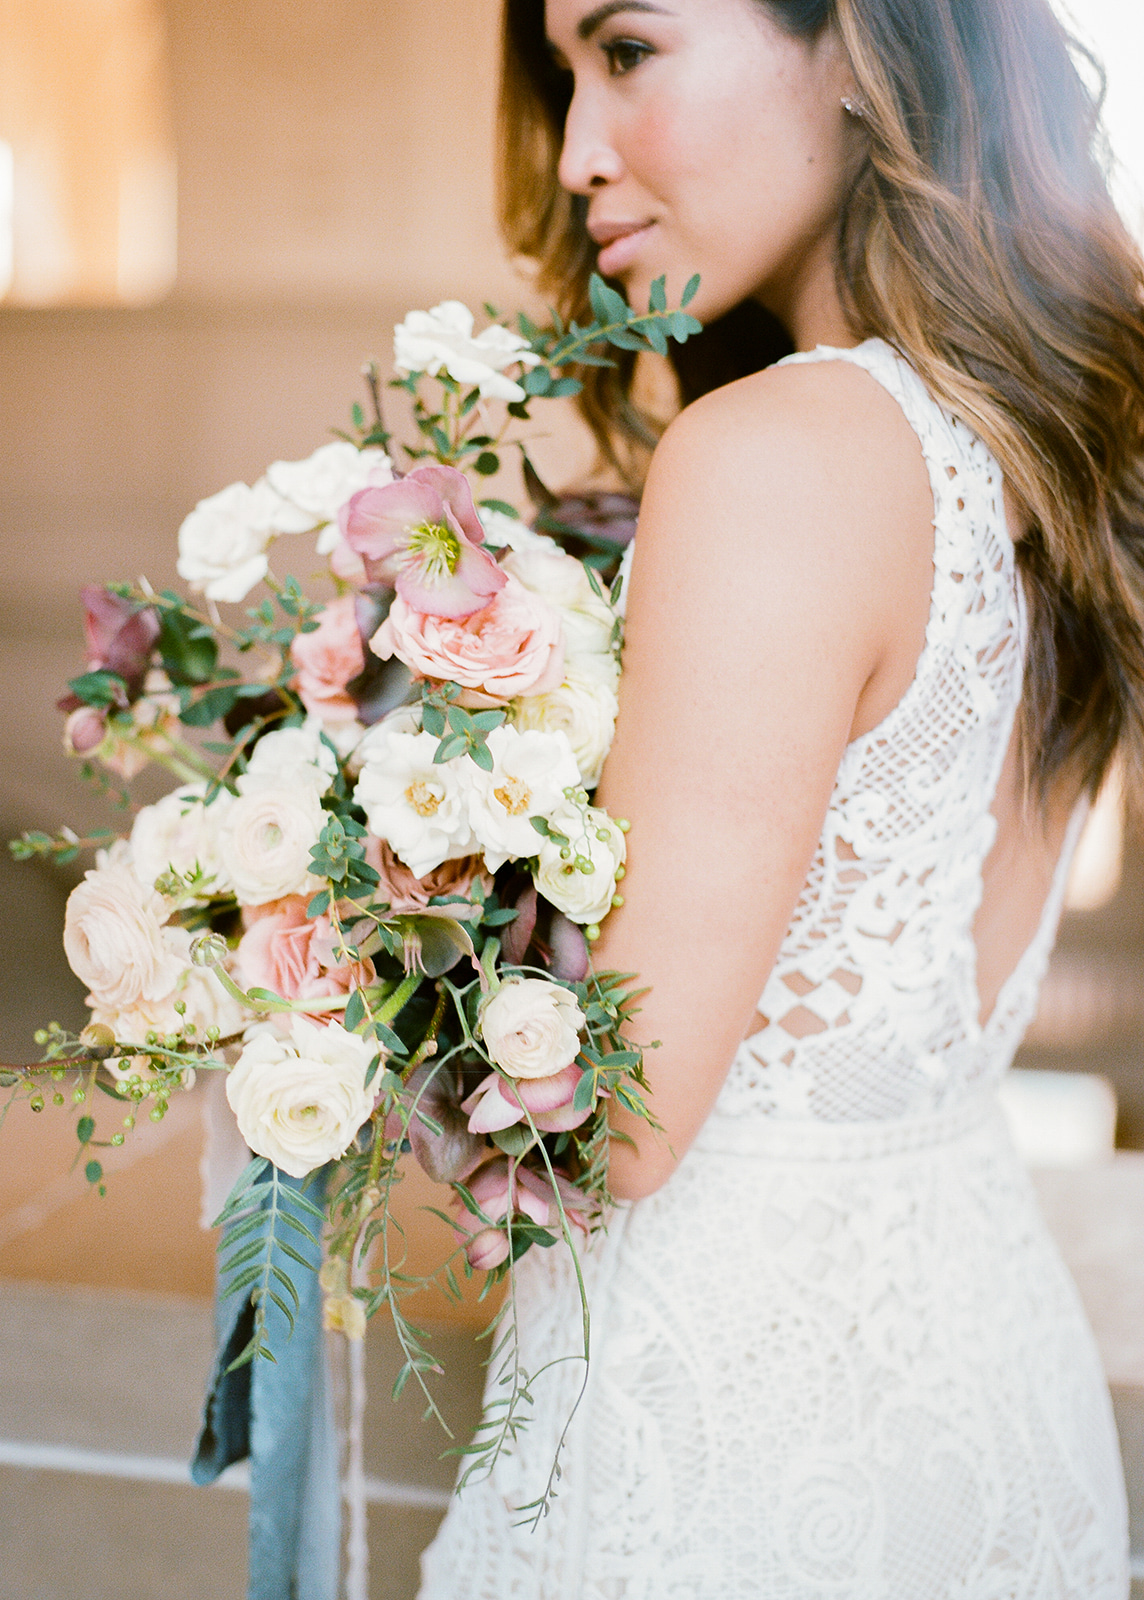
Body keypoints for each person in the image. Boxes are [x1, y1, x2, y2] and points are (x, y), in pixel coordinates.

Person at [419, 0, 1143, 1593]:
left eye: (627, 52)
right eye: (561, 80)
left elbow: (607, 1126)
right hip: (992, 1405)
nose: (578, 154)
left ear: (858, 45)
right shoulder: (1042, 449)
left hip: (723, 1452)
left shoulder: (774, 459)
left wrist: (362, 905)